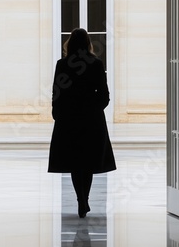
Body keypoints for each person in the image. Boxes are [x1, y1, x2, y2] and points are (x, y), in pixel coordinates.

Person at [48, 28, 116, 218]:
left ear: (69, 43)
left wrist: (57, 112)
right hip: (91, 119)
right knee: (88, 161)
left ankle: (81, 200)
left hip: (69, 118)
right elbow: (104, 95)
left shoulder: (62, 64)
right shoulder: (96, 64)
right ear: (88, 43)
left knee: (75, 162)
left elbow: (57, 91)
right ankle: (84, 199)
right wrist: (94, 109)